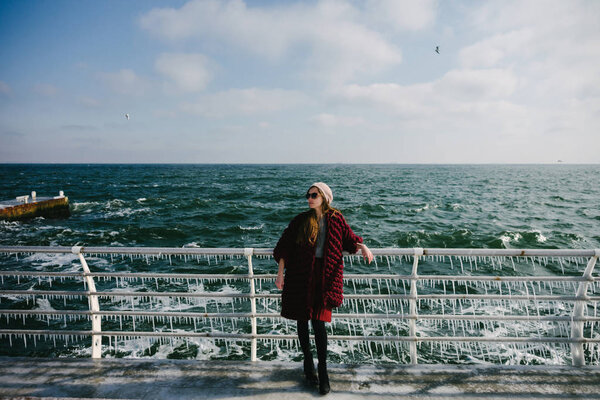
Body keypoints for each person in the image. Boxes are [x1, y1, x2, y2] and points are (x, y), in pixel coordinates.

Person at [273, 182, 373, 395]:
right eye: (308, 195)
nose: (309, 198)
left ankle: (323, 371)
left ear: (324, 197)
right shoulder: (301, 220)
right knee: (302, 320)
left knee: (319, 323)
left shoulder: (336, 219)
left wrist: (363, 246)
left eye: (314, 195)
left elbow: (349, 239)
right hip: (301, 275)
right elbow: (284, 247)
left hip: (325, 277)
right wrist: (280, 273)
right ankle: (308, 365)